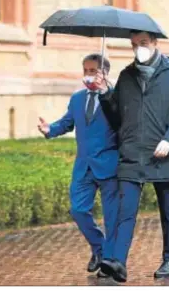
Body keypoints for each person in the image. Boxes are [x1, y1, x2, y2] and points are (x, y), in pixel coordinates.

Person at [93, 30, 169, 282]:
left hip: (162, 154)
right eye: (134, 45)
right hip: (132, 153)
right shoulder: (126, 76)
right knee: (125, 211)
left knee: (168, 211)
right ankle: (118, 262)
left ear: (155, 43)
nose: (139, 48)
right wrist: (105, 93)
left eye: (144, 43)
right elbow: (117, 118)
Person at [38, 53, 119, 278]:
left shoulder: (116, 98)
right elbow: (67, 123)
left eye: (93, 70)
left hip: (109, 166)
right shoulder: (77, 99)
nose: (88, 75)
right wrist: (50, 130)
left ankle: (110, 263)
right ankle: (99, 248)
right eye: (85, 70)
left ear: (104, 73)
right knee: (78, 210)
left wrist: (105, 93)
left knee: (112, 217)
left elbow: (123, 125)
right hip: (83, 166)